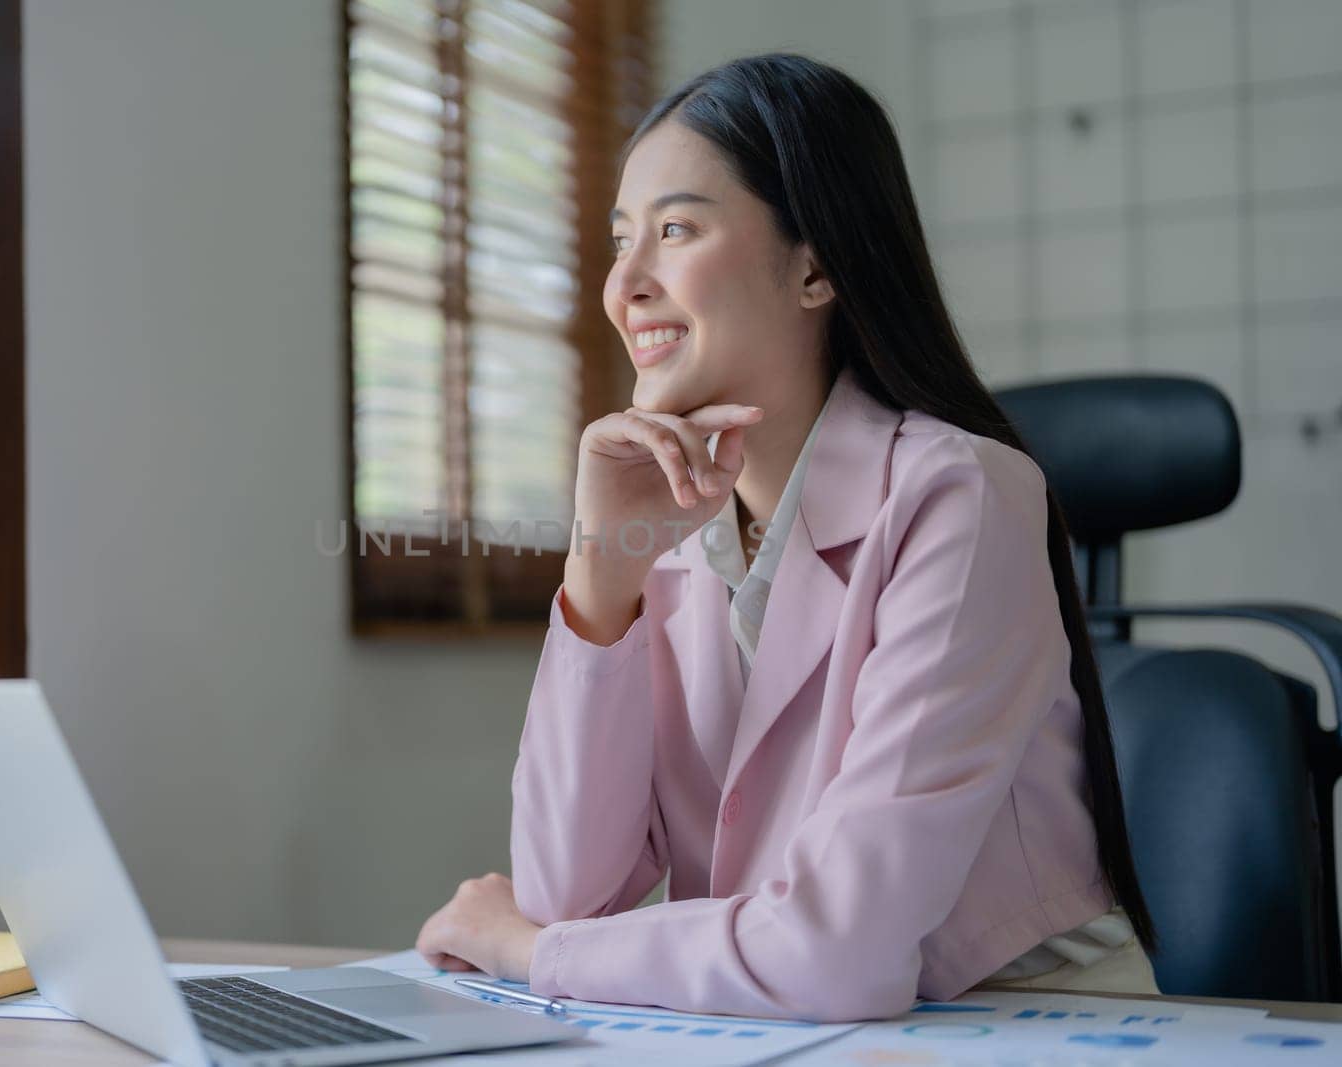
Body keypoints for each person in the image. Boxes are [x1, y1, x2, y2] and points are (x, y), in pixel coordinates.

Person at [413, 52, 1160, 1021]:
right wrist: (604, 571)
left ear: (814, 266)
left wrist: (526, 947)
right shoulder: (673, 531)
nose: (623, 283)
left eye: (674, 229)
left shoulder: (960, 496)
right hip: (777, 1025)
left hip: (1030, 1022)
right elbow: (565, 890)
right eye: (618, 239)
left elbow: (835, 947)